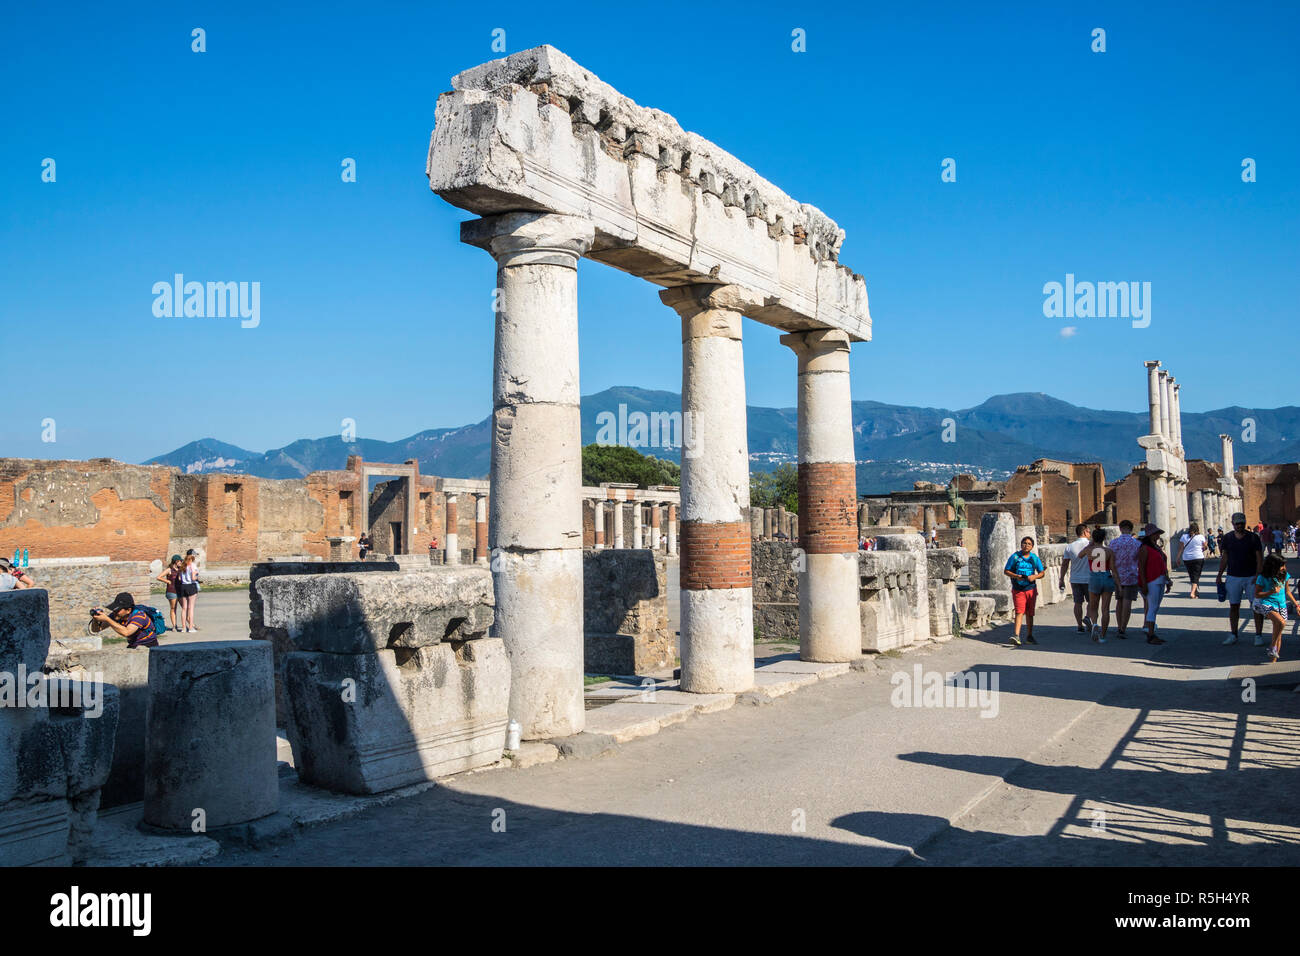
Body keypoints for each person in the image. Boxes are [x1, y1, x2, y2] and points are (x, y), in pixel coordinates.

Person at [1217, 513, 1264, 646]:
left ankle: (1258, 635)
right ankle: (1233, 634)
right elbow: (1225, 557)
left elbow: (1259, 558)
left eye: (1241, 523)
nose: (1239, 525)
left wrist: (1258, 575)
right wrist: (1220, 574)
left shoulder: (1253, 538)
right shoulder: (1228, 538)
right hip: (1233, 576)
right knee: (1234, 606)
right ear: (1233, 524)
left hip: (1251, 577)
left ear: (1244, 523)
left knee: (1256, 606)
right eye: (1237, 523)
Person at [1255, 554, 1296, 663]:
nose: (1283, 568)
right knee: (1281, 623)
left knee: (1278, 634)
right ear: (1273, 565)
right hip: (1267, 603)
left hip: (1281, 605)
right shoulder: (1262, 577)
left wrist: (1296, 605)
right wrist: (1271, 592)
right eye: (1281, 565)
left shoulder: (1285, 575)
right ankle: (1272, 646)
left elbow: (1287, 591)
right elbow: (1257, 594)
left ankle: (1273, 662)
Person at [1004, 536, 1045, 646]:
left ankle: (1029, 636)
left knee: (1030, 613)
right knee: (1019, 611)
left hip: (1030, 588)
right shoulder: (1015, 557)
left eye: (1029, 544)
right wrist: (1016, 576)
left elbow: (1042, 573)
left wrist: (1034, 577)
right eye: (1024, 543)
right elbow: (1006, 571)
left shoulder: (1034, 558)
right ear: (1021, 544)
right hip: (1018, 589)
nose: (1026, 545)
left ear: (1032, 547)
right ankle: (1016, 635)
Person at [1136, 524, 1171, 645]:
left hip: (1160, 579)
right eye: (1156, 533)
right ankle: (1150, 634)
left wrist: (1167, 579)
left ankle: (1152, 632)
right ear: (1150, 535)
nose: (1158, 535)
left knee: (1155, 607)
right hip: (1151, 581)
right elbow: (1141, 567)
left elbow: (1163, 565)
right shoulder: (1144, 548)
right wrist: (1144, 584)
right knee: (1152, 607)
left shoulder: (1156, 547)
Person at [1083, 527, 1118, 643]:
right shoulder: (1109, 551)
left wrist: (1090, 544)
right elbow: (1113, 568)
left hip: (1094, 577)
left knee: (1093, 606)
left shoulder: (1089, 550)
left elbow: (1079, 555)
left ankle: (1095, 624)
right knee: (1105, 609)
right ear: (1104, 538)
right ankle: (1102, 635)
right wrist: (1119, 584)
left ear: (1093, 537)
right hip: (1107, 576)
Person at [91, 592, 160, 649]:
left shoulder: (139, 616)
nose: (114, 612)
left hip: (149, 646)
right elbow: (96, 629)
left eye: (117, 610)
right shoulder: (116, 615)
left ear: (128, 610)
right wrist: (95, 619)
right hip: (134, 645)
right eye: (114, 609)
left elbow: (126, 632)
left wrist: (107, 619)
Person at [1110, 519, 1143, 639]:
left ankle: (1119, 626)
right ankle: (1123, 627)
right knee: (1127, 601)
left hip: (1118, 575)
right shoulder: (1137, 544)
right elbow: (1139, 560)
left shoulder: (1113, 543)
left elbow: (1110, 560)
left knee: (1119, 601)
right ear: (1131, 529)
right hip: (1132, 575)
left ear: (1120, 528)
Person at [1059, 523, 1093, 633]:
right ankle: (1087, 617)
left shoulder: (1070, 546)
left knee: (1078, 603)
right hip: (1089, 578)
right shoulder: (1091, 545)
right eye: (1088, 531)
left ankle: (1079, 626)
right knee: (1091, 601)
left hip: (1075, 578)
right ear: (1084, 532)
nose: (1090, 533)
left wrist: (1061, 578)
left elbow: (1064, 564)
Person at [1177, 522, 1208, 599]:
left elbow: (1180, 549)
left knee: (1192, 575)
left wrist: (1177, 558)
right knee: (1196, 575)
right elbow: (1205, 546)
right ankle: (1192, 593)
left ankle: (1195, 591)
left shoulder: (1183, 537)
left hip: (1187, 558)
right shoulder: (1201, 537)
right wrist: (1202, 549)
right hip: (1198, 557)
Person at [155, 554, 185, 630]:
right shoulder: (169, 570)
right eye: (180, 561)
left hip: (180, 591)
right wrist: (167, 581)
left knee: (184, 607)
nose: (181, 562)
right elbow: (158, 577)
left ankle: (190, 624)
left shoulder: (181, 569)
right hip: (172, 591)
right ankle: (174, 626)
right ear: (176, 561)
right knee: (173, 608)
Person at [177, 552, 201, 633]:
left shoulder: (182, 566)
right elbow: (193, 578)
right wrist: (197, 575)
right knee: (191, 608)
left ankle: (184, 628)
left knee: (184, 608)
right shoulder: (192, 566)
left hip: (183, 586)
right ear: (191, 559)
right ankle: (190, 627)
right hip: (191, 586)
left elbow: (180, 579)